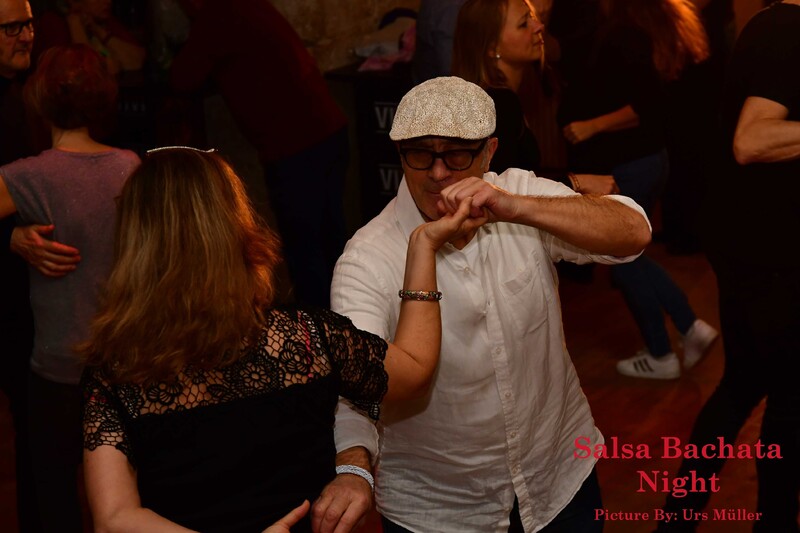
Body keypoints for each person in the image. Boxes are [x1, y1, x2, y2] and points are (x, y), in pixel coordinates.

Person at [79, 146, 480, 533]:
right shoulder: (305, 340)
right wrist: (423, 245)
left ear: (134, 242)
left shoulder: (114, 373)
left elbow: (114, 518)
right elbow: (416, 370)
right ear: (234, 228)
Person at [329, 76, 651, 532]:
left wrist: (517, 208)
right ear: (400, 154)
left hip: (559, 477)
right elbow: (358, 382)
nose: (438, 173)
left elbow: (634, 233)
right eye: (420, 154)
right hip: (441, 510)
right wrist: (354, 469)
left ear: (489, 151)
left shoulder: (518, 193)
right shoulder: (367, 257)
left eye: (457, 154)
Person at [658, 1, 800, 531]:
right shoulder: (788, 28)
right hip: (770, 252)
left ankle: (677, 522)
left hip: (757, 244)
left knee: (744, 385)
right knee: (789, 399)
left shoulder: (775, 25)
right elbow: (752, 140)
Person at [0, 43, 140, 533]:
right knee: (129, 494)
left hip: (56, 369)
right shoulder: (130, 166)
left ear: (39, 100)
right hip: (126, 362)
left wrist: (11, 237)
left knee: (55, 494)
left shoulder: (27, 175)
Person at [559, 0, 718, 379]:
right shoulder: (631, 29)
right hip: (643, 159)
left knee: (623, 258)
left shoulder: (625, 34)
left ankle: (665, 350)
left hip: (632, 163)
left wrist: (591, 126)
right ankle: (688, 330)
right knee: (629, 256)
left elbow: (647, 104)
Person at [169, 0, 349, 309]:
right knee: (330, 244)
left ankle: (322, 331)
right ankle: (346, 324)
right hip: (328, 132)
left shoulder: (216, 15)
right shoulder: (247, 6)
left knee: (307, 256)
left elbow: (181, 79)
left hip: (295, 147)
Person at [451, 0, 618, 195]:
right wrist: (576, 182)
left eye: (532, 17)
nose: (539, 26)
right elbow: (504, 190)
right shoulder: (499, 103)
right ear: (492, 47)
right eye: (524, 24)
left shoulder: (498, 96)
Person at [34, 0, 146, 74]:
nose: (108, 1)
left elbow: (137, 61)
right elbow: (89, 72)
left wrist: (99, 31)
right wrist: (75, 23)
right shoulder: (54, 23)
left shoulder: (104, 21)